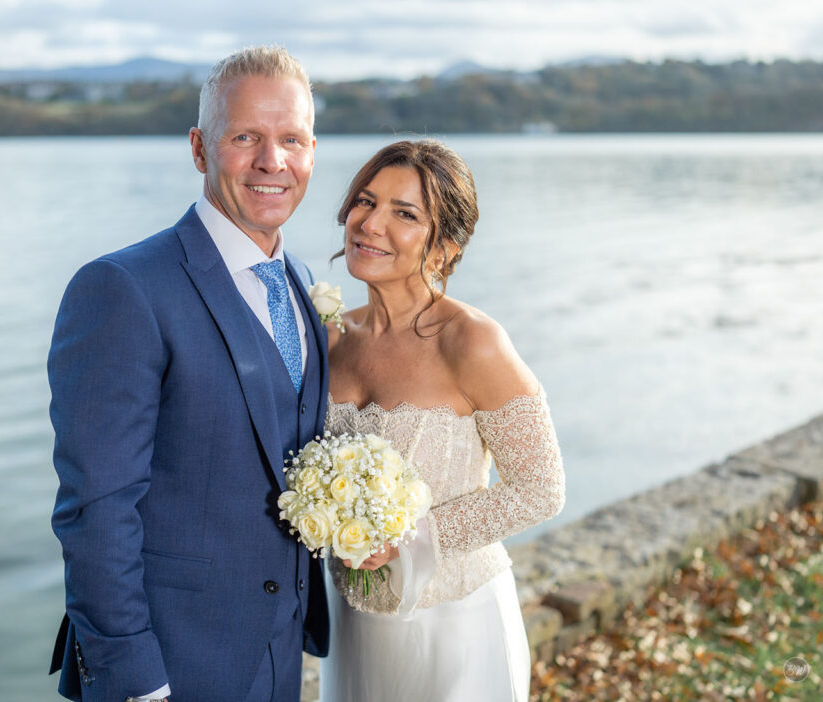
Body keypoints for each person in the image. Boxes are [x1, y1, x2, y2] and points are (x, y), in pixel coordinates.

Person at [47, 46, 329, 702]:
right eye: (246, 138)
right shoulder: (122, 289)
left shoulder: (304, 284)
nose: (272, 161)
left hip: (279, 653)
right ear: (200, 148)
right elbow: (96, 507)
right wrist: (135, 681)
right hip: (170, 668)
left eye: (292, 139)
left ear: (312, 150)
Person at [318, 140, 566, 701]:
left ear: (443, 250)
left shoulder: (472, 341)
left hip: (456, 624)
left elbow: (541, 489)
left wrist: (407, 539)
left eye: (405, 214)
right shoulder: (330, 334)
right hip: (354, 627)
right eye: (365, 201)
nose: (370, 223)